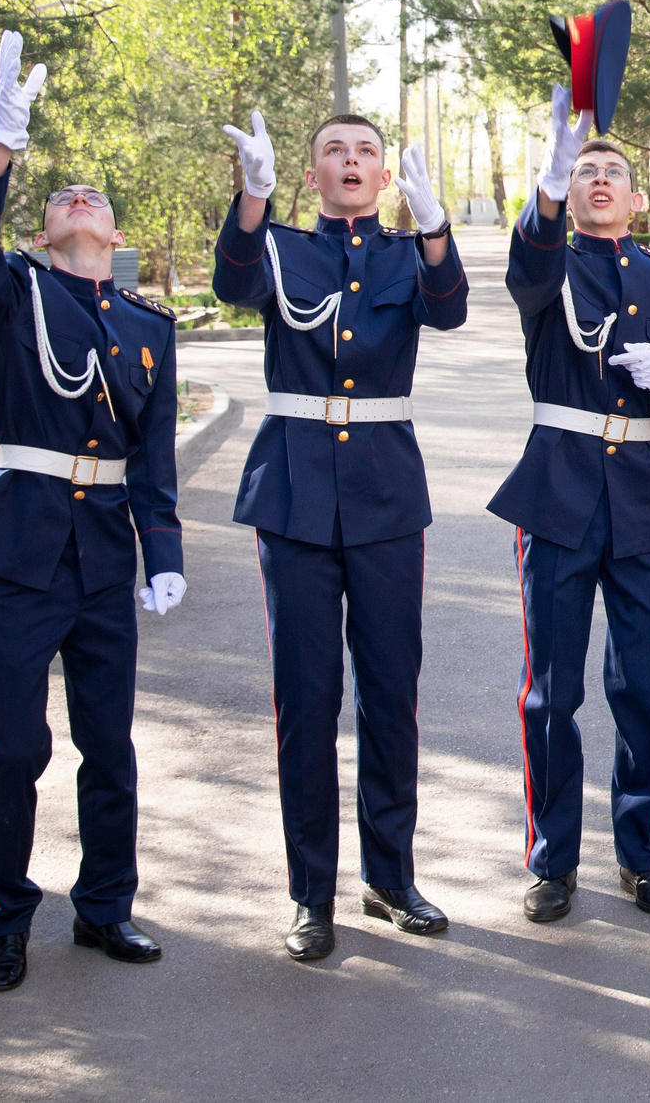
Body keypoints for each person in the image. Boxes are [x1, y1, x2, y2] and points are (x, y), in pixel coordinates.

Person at [0, 32, 185, 993]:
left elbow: (153, 452)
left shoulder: (148, 327)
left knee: (108, 742)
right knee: (15, 745)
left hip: (102, 553)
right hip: (21, 544)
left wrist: (161, 550)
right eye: (62, 197)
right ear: (44, 233)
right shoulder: (13, 295)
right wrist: (2, 146)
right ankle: (6, 918)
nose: (79, 198)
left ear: (114, 232)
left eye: (95, 197)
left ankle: (105, 908)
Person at [213, 109, 466, 960]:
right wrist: (249, 200)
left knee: (392, 693)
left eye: (366, 152)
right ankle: (310, 892)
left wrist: (433, 228)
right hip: (293, 492)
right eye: (334, 152)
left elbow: (451, 308)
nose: (351, 162)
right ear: (311, 173)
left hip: (387, 495)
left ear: (384, 174)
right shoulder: (283, 247)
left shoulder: (403, 253)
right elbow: (232, 280)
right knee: (307, 700)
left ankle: (389, 876)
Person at [490, 90, 650, 921]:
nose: (598, 179)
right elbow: (526, 267)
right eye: (585, 170)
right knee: (551, 690)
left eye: (610, 172)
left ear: (637, 197)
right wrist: (545, 189)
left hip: (638, 494)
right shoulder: (550, 261)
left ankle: (641, 849)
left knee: (642, 685)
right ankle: (552, 860)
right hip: (556, 489)